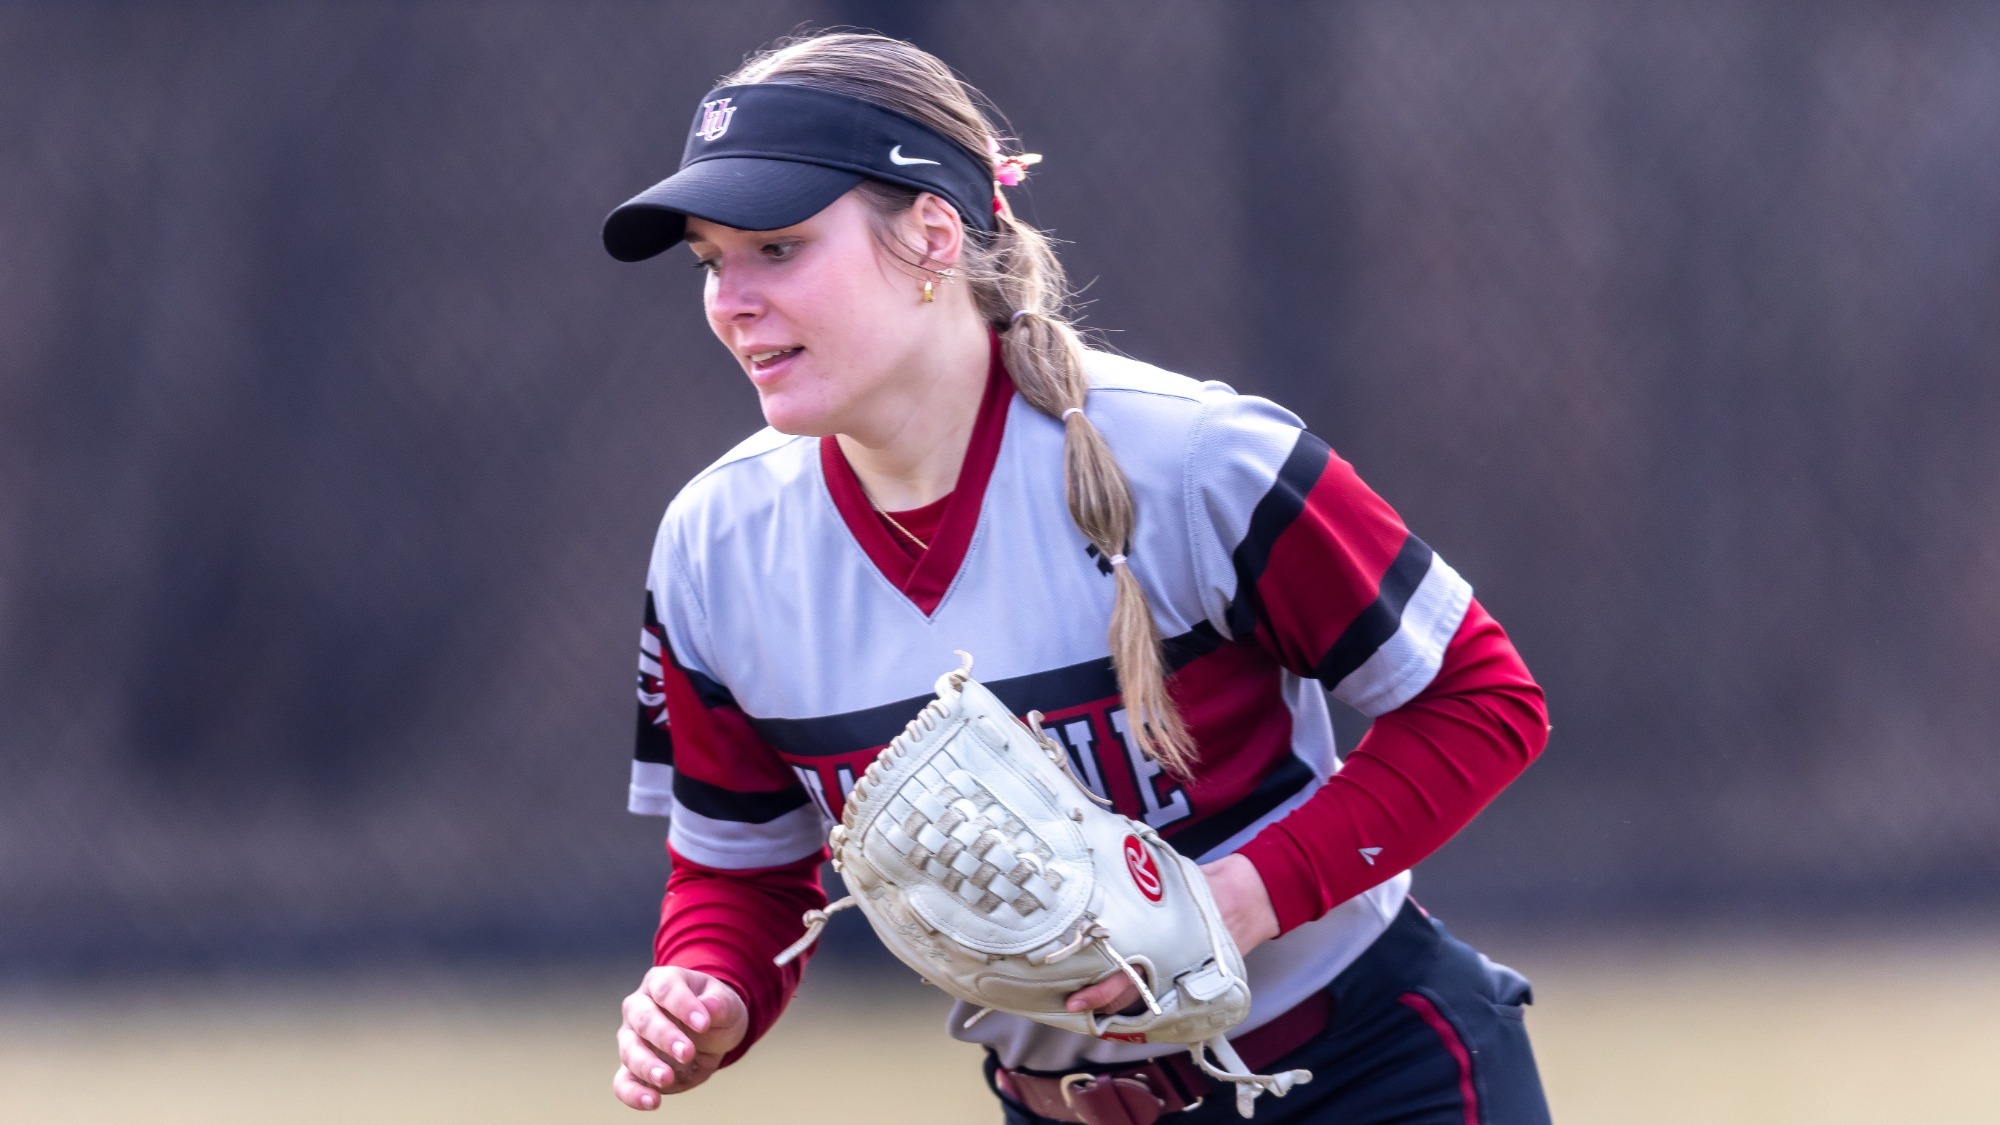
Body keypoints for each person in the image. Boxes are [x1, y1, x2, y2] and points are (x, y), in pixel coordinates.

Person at [603, 31, 1553, 1124]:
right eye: (710, 261)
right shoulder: (715, 546)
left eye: (777, 247)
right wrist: (707, 989)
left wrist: (1238, 899)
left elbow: (1481, 700)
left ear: (931, 236)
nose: (731, 299)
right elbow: (740, 872)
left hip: (1366, 1077)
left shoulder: (1196, 461)